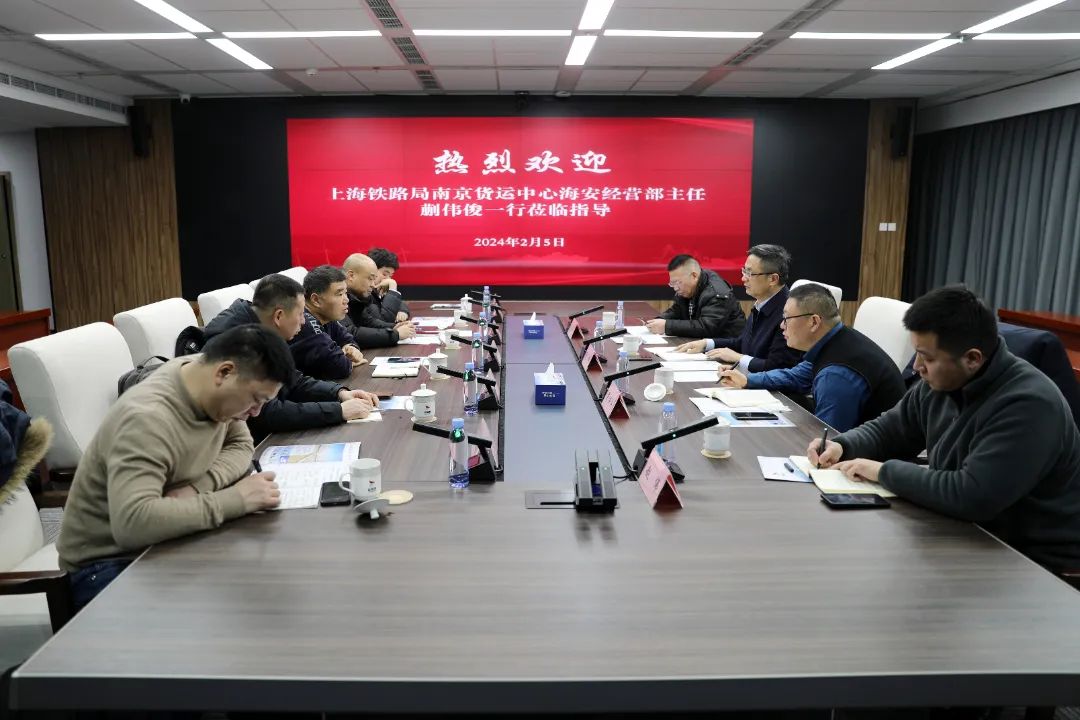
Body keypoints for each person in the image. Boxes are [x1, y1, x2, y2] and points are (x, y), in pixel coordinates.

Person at [809, 285, 1080, 574]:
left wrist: (881, 471)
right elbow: (891, 430)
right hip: (969, 534)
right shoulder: (942, 380)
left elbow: (972, 495)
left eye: (927, 357)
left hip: (1037, 564)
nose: (917, 366)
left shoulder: (1028, 404)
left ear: (972, 359)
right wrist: (844, 445)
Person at [56, 325, 290, 608]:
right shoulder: (148, 418)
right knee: (224, 609)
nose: (256, 412)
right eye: (256, 399)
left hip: (163, 539)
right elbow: (133, 524)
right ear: (224, 373)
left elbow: (240, 445)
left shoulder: (207, 382)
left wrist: (199, 487)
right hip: (106, 564)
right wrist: (235, 500)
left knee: (261, 578)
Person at [203, 273, 378, 439]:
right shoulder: (236, 342)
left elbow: (291, 379)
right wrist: (339, 411)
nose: (304, 321)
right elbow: (266, 413)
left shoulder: (262, 327)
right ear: (279, 316)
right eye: (300, 314)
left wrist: (339, 393)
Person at [719, 282, 905, 433]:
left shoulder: (836, 375)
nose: (782, 326)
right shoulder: (837, 340)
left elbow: (826, 440)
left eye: (786, 318)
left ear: (814, 322)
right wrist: (748, 380)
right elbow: (797, 375)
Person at [674, 244, 803, 373]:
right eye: (744, 271)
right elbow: (742, 343)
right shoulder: (763, 302)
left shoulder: (790, 313)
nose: (743, 278)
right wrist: (706, 343)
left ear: (773, 279)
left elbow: (779, 368)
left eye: (750, 273)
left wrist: (739, 358)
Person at [289, 264, 366, 380]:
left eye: (345, 293)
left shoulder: (326, 315)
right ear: (316, 300)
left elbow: (347, 339)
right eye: (339, 294)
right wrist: (346, 359)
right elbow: (340, 367)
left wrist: (351, 348)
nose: (346, 300)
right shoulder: (304, 322)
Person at [645, 255, 745, 339]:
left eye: (678, 282)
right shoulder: (689, 288)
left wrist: (666, 326)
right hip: (703, 344)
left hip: (727, 348)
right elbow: (677, 310)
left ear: (694, 276)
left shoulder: (716, 293)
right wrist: (658, 320)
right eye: (672, 283)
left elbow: (706, 328)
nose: (675, 288)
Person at [341, 253, 417, 348]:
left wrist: (394, 326)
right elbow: (350, 334)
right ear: (351, 276)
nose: (373, 284)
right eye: (370, 279)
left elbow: (368, 322)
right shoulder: (337, 296)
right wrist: (396, 334)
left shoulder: (356, 296)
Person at [367, 247, 410, 324]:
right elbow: (385, 320)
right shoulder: (364, 292)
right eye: (384, 274)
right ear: (371, 269)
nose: (388, 279)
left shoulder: (378, 289)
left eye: (390, 276)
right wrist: (392, 287)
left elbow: (400, 303)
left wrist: (402, 310)